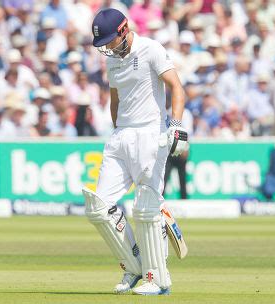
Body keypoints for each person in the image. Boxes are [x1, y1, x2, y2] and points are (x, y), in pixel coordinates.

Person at [84, 8, 188, 296]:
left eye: (108, 40)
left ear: (123, 30)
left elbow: (177, 88)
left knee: (144, 209)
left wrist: (176, 126)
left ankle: (158, 279)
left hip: (150, 133)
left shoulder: (151, 49)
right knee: (99, 207)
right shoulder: (113, 62)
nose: (105, 47)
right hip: (121, 136)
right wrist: (117, 130)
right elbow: (114, 100)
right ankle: (134, 267)